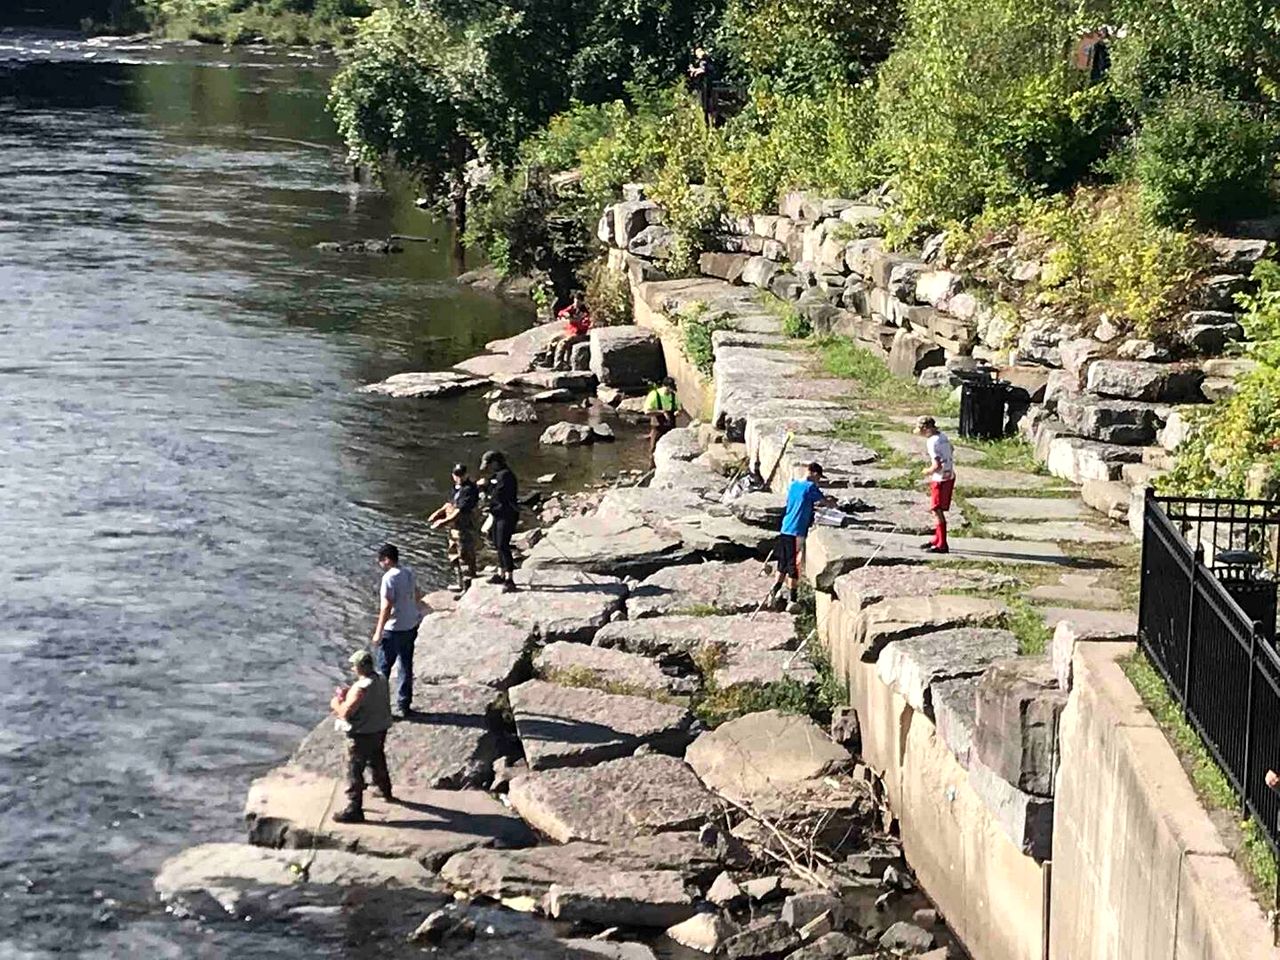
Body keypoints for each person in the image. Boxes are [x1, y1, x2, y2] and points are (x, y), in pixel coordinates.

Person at [329, 648, 394, 824]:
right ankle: (385, 789)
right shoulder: (381, 679)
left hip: (362, 733)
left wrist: (336, 703)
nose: (353, 669)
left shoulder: (361, 688)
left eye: (354, 666)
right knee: (377, 758)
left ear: (361, 667)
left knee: (354, 769)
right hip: (380, 729)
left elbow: (345, 713)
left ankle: (354, 808)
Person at [769, 462, 835, 612]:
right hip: (797, 530)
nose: (818, 480)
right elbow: (824, 502)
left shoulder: (793, 485)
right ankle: (793, 600)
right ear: (813, 473)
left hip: (785, 527)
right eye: (818, 477)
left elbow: (799, 501)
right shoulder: (811, 487)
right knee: (793, 565)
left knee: (783, 562)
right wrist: (832, 503)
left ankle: (776, 590)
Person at [370, 543, 423, 717]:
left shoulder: (389, 578)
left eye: (380, 561)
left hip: (393, 629)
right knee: (405, 666)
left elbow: (386, 606)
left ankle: (380, 708)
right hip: (410, 625)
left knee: (383, 669)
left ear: (386, 560)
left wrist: (378, 632)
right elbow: (417, 593)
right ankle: (403, 705)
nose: (380, 565)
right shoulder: (408, 572)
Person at [428, 463, 480, 592]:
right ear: (453, 476)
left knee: (465, 557)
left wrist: (443, 522)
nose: (459, 478)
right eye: (457, 475)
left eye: (462, 475)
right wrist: (438, 513)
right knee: (453, 555)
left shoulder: (469, 489)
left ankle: (468, 587)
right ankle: (460, 583)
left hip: (465, 528)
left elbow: (460, 510)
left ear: (466, 474)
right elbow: (450, 503)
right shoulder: (456, 488)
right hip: (454, 529)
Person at [479, 450, 519, 592]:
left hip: (507, 514)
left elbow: (498, 495)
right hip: (498, 514)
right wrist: (485, 486)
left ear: (496, 462)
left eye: (490, 464)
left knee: (503, 544)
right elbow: (492, 488)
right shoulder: (497, 475)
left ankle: (510, 579)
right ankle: (501, 573)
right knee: (497, 543)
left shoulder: (506, 476)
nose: (489, 468)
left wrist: (487, 494)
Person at [915, 416, 956, 554]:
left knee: (936, 510)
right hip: (950, 475)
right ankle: (937, 538)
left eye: (920, 430)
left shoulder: (932, 442)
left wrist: (927, 471)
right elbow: (952, 448)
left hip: (940, 479)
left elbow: (936, 465)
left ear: (926, 429)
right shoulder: (943, 436)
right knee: (938, 509)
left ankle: (942, 544)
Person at [551, 292, 592, 371]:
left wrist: (574, 321)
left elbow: (584, 326)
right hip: (570, 331)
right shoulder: (573, 308)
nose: (576, 304)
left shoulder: (585, 312)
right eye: (575, 301)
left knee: (563, 343)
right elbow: (561, 312)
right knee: (554, 339)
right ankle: (548, 360)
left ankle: (558, 364)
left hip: (579, 333)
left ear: (582, 302)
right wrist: (565, 314)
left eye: (578, 302)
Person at [644, 377, 679, 461]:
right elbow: (647, 411)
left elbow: (679, 408)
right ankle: (652, 469)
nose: (669, 391)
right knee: (653, 449)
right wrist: (662, 412)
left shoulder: (674, 396)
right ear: (664, 386)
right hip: (658, 427)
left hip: (670, 427)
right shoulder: (654, 394)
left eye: (671, 389)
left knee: (671, 449)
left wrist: (678, 412)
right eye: (668, 389)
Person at [687, 47, 717, 126]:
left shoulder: (704, 61)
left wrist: (694, 71)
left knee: (706, 105)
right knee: (706, 105)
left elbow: (703, 70)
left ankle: (708, 122)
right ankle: (708, 121)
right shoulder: (707, 61)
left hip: (705, 85)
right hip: (706, 85)